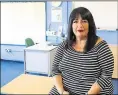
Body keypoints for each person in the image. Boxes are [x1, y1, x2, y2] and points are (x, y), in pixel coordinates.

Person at [49, 7, 114, 95]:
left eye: (84, 21)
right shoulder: (64, 45)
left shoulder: (101, 46)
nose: (80, 25)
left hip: (93, 92)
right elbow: (55, 70)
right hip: (65, 90)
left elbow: (106, 76)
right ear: (71, 25)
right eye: (75, 21)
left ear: (90, 24)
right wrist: (61, 91)